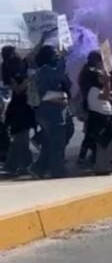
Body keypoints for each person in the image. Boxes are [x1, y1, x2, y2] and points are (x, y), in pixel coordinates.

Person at [31, 45, 71, 179]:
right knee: (57, 143)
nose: (57, 57)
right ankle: (57, 172)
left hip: (56, 112)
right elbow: (48, 90)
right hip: (50, 114)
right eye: (55, 55)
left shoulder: (48, 71)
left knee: (50, 143)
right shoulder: (44, 72)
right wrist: (64, 57)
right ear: (47, 57)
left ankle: (38, 169)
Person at [79, 51, 112, 175]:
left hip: (104, 118)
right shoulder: (93, 90)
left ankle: (102, 165)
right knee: (102, 144)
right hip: (100, 119)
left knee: (105, 144)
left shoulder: (94, 88)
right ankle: (100, 167)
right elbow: (105, 95)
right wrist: (107, 82)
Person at [2, 45, 36, 176]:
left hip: (24, 105)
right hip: (18, 107)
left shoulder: (22, 64)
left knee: (19, 138)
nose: (17, 53)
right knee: (21, 137)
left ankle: (11, 164)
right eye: (15, 51)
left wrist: (42, 40)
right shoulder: (7, 69)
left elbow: (32, 54)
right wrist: (29, 80)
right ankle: (25, 165)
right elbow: (17, 89)